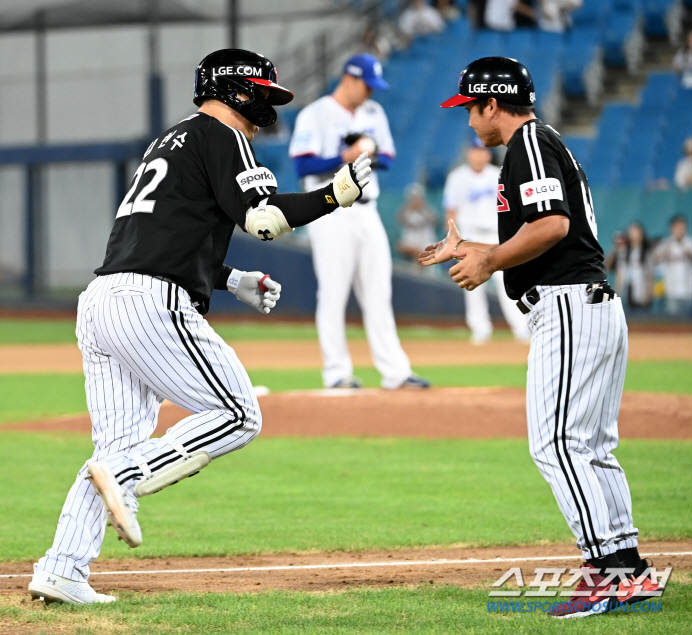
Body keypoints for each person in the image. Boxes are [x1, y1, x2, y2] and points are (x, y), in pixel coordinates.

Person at [28, 48, 372, 605]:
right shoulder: (222, 135)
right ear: (238, 90)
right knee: (237, 414)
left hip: (102, 300)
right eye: (264, 91)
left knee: (112, 445)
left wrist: (229, 278)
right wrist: (335, 194)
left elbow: (162, 235)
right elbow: (263, 220)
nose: (268, 103)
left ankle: (63, 566)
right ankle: (130, 473)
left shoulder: (168, 141)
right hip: (149, 302)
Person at [422, 56, 661, 617]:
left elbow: (553, 226)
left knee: (557, 444)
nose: (469, 120)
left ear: (492, 103)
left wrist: (491, 262)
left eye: (470, 108)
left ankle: (607, 574)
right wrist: (478, 248)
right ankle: (626, 568)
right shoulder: (540, 141)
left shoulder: (528, 142)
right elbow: (550, 224)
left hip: (570, 306)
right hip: (588, 305)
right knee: (591, 446)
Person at [289, 54, 429, 390]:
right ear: (349, 78)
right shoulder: (316, 113)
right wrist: (345, 156)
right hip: (329, 208)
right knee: (333, 293)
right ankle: (336, 372)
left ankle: (395, 372)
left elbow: (389, 157)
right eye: (366, 84)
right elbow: (303, 166)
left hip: (367, 208)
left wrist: (369, 153)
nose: (370, 91)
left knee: (380, 291)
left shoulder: (373, 113)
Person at [443, 138, 531, 343]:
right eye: (475, 150)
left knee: (507, 280)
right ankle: (480, 328)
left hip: (495, 234)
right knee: (471, 283)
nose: (479, 154)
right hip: (469, 235)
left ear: (488, 154)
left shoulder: (498, 175)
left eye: (482, 151)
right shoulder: (457, 177)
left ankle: (521, 328)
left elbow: (511, 208)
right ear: (468, 153)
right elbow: (451, 210)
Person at [654, 215, 692, 316]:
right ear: (672, 228)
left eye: (682, 227)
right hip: (672, 291)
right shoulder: (666, 243)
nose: (679, 230)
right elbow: (656, 258)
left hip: (690, 290)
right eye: (677, 227)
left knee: (690, 323)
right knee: (673, 323)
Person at [606, 222, 654, 310]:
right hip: (627, 292)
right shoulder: (624, 251)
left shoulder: (646, 252)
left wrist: (648, 292)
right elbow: (617, 272)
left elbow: (649, 274)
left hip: (641, 291)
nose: (633, 235)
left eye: (636, 232)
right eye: (631, 232)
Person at [396, 183, 439, 262]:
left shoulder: (428, 211)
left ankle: (418, 270)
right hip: (410, 242)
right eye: (413, 198)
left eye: (417, 198)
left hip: (426, 242)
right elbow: (399, 219)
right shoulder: (407, 212)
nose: (415, 201)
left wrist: (422, 208)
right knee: (401, 246)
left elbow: (435, 221)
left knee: (420, 252)